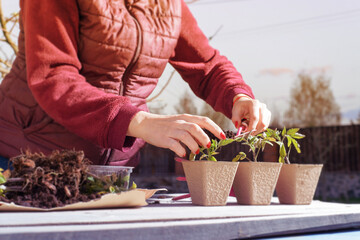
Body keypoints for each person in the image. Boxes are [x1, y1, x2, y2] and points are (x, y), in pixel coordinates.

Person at [0, 0, 271, 167]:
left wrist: (239, 97)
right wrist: (140, 123)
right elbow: (53, 77)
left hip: (111, 170)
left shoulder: (168, 5)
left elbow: (208, 67)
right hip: (25, 157)